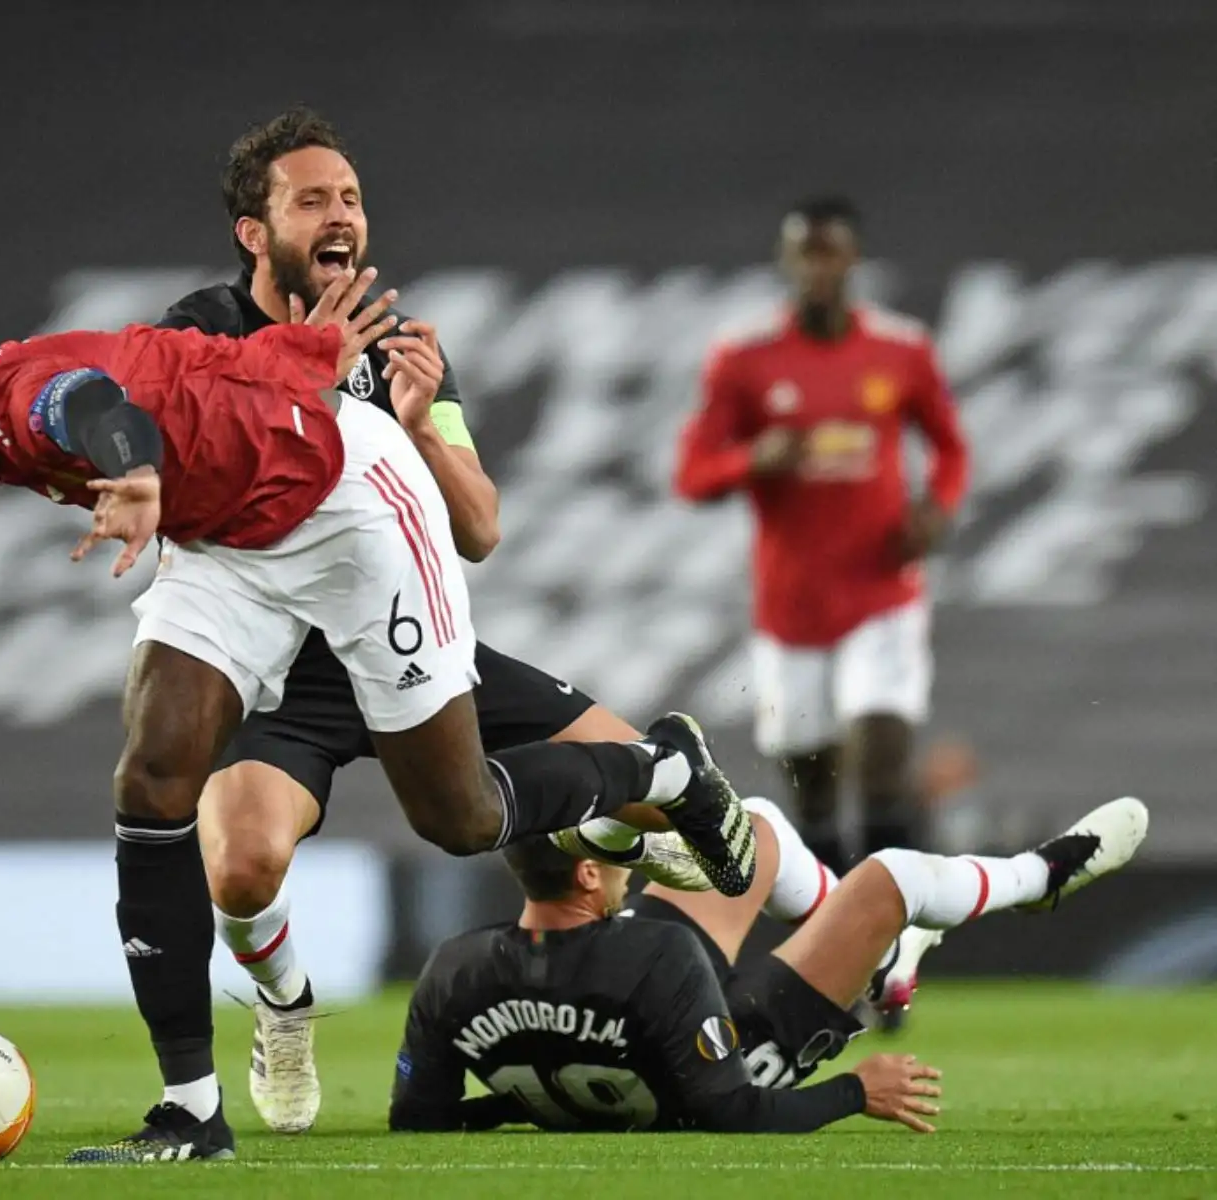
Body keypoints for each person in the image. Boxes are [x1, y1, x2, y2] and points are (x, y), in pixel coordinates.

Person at [0, 277, 758, 1164]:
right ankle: (191, 1110)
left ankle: (660, 770)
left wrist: (133, 475)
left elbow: (96, 404)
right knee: (151, 782)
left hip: (346, 503)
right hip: (226, 538)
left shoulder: (20, 401)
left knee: (459, 818)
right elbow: (183, 375)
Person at [152, 107, 698, 1137]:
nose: (341, 215)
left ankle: (858, 931)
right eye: (310, 200)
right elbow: (208, 471)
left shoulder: (404, 351)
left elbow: (481, 528)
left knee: (676, 796)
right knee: (240, 864)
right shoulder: (199, 334)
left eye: (350, 197)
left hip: (415, 640)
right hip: (282, 662)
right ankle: (281, 1003)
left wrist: (417, 426)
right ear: (253, 232)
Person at [391, 795, 1147, 1133]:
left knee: (747, 833)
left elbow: (421, 1119)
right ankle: (1038, 881)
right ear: (589, 877)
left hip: (644, 1018)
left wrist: (534, 1106)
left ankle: (878, 960)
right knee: (894, 877)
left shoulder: (455, 966)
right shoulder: (656, 950)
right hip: (735, 1055)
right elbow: (732, 1111)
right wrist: (857, 1091)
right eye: (616, 850)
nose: (631, 856)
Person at [675, 196, 971, 870]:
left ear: (853, 258)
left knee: (882, 755)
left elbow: (951, 448)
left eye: (829, 251)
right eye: (804, 252)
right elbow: (692, 475)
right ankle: (833, 933)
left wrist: (938, 508)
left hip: (881, 592)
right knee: (813, 789)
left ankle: (899, 929)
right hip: (792, 608)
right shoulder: (745, 361)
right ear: (787, 261)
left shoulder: (901, 351)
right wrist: (754, 459)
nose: (817, 267)